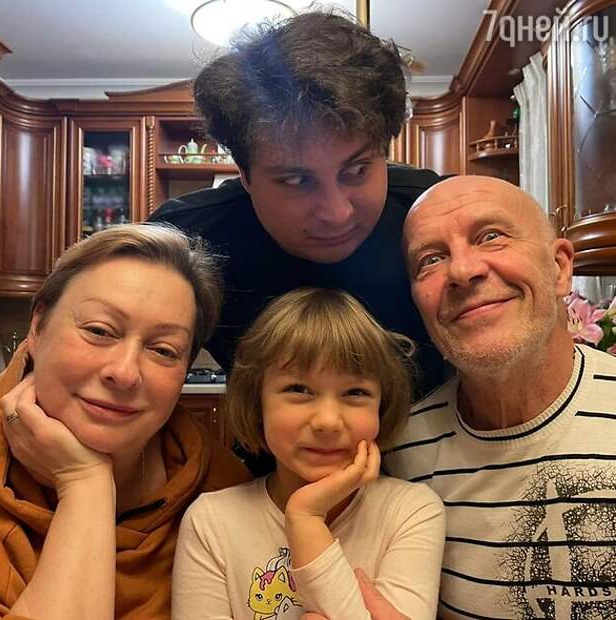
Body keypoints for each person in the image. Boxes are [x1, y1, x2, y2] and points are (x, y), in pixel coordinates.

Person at [148, 11, 449, 399]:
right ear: (245, 174)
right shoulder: (187, 240)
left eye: (357, 170)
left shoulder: (438, 214)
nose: (337, 213)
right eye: (296, 180)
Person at [383, 176, 616, 619]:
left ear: (559, 267)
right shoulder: (401, 455)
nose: (462, 271)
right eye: (431, 260)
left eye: (491, 236)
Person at [0, 224, 251, 619]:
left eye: (164, 350)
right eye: (99, 331)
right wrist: (84, 482)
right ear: (38, 327)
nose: (125, 372)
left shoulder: (223, 492)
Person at [172, 288, 445, 620]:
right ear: (257, 404)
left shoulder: (411, 511)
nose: (327, 421)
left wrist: (306, 518)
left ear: (382, 408)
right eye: (298, 389)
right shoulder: (211, 522)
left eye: (355, 392)